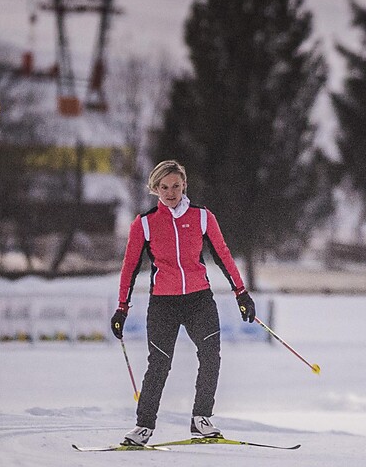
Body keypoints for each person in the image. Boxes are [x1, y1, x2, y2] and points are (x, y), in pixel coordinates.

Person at [111, 160, 258, 447]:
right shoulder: (145, 223)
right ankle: (144, 426)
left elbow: (223, 255)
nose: (171, 192)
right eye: (164, 187)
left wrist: (241, 293)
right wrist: (121, 308)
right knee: (159, 365)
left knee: (210, 355)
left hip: (199, 299)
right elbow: (129, 267)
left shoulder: (202, 217)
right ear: (155, 189)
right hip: (163, 303)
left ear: (184, 185)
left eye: (176, 186)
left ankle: (201, 418)